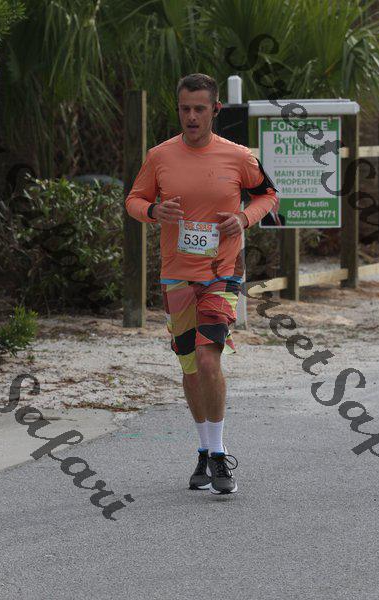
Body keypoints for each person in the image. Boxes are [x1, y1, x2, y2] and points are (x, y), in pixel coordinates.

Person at [125, 73, 279, 495]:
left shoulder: (238, 156)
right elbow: (133, 200)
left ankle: (219, 454)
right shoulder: (160, 156)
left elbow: (268, 195)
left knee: (210, 360)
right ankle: (204, 448)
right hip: (176, 274)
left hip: (222, 273)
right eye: (184, 109)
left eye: (199, 109)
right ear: (178, 110)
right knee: (190, 366)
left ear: (215, 110)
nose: (191, 117)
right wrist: (154, 212)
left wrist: (244, 218)